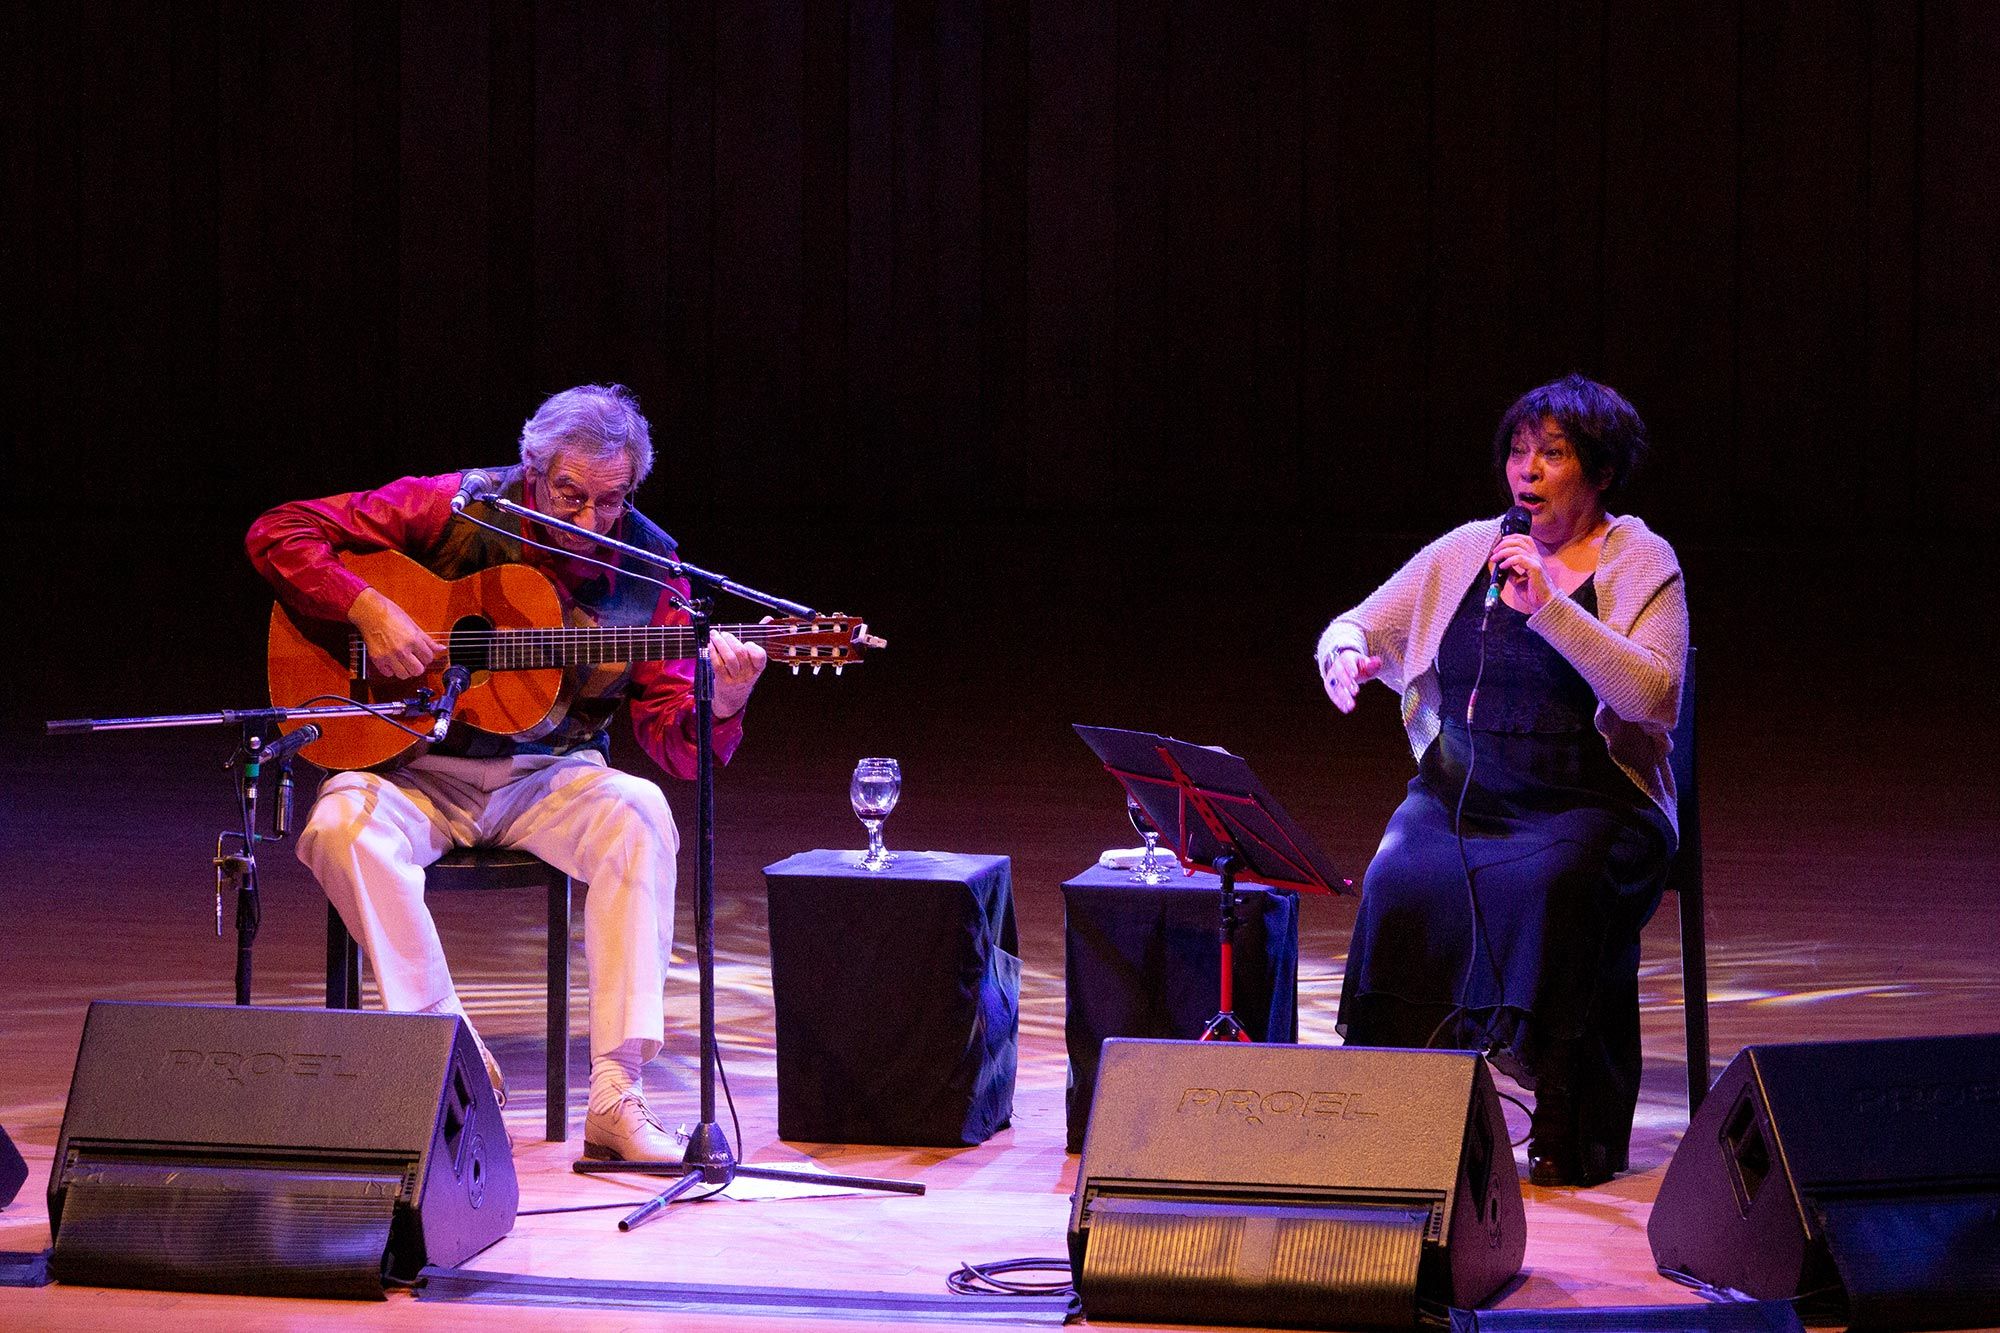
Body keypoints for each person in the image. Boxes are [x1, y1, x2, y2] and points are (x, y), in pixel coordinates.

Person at [247, 383, 768, 1162]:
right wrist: (367, 607)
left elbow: (674, 744)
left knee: (641, 811)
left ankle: (615, 1093)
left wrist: (721, 699)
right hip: (412, 766)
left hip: (548, 777)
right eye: (571, 496)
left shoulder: (651, 568)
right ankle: (452, 1060)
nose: (591, 522)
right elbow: (280, 530)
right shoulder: (453, 507)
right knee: (335, 829)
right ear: (533, 471)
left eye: (611, 500)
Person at [1313, 374, 1686, 1187]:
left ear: (1599, 469)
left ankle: (1564, 1108)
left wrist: (1551, 606)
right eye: (1520, 451)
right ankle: (1399, 1102)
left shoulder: (1641, 559)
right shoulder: (1468, 548)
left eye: (1552, 454)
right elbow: (1360, 621)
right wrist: (1343, 653)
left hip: (1592, 798)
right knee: (1399, 874)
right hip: (1467, 789)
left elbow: (1654, 698)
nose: (1528, 469)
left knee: (1557, 885)